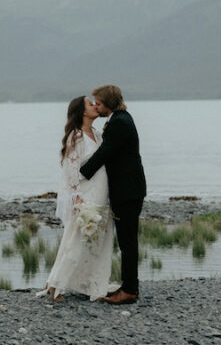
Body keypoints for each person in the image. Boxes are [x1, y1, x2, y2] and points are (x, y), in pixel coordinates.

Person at [40, 96, 116, 301]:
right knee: (77, 242)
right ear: (82, 112)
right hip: (86, 196)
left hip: (101, 194)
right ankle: (56, 286)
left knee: (98, 243)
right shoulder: (76, 136)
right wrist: (76, 199)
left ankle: (93, 284)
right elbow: (70, 170)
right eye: (90, 104)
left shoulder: (98, 135)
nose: (95, 105)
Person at [80, 84, 147, 305]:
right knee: (127, 241)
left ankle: (129, 290)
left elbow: (104, 153)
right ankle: (129, 285)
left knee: (127, 242)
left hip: (127, 191)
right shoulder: (121, 118)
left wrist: (81, 173)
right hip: (129, 189)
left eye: (98, 103)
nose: (96, 107)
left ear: (108, 102)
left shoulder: (119, 122)